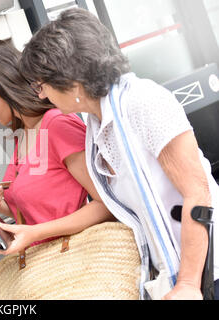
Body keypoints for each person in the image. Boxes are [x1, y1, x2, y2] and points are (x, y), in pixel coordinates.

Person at [18, 7, 219, 300]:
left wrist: (188, 283)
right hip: (174, 273)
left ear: (72, 83)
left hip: (208, 269)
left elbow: (198, 192)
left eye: (42, 85)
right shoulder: (97, 126)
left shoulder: (142, 102)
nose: (41, 96)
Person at [0, 38, 115, 254]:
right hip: (53, 265)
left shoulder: (57, 124)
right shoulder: (22, 135)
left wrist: (36, 233)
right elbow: (43, 212)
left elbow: (107, 204)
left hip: (81, 258)